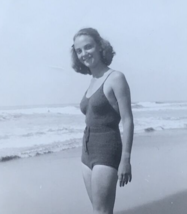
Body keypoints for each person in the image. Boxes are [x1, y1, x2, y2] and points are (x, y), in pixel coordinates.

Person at [71, 28, 134, 214]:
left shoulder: (115, 78)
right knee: (97, 211)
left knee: (102, 212)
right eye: (79, 50)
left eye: (88, 47)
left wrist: (126, 159)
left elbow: (128, 121)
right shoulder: (92, 80)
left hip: (107, 149)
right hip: (87, 151)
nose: (84, 53)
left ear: (100, 47)